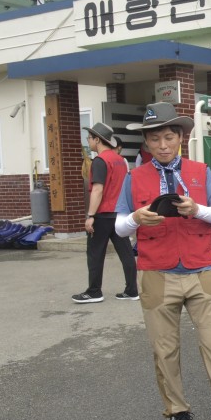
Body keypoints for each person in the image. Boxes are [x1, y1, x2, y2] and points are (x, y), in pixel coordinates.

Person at [115, 102, 211, 420]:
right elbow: (118, 226)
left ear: (180, 138)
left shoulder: (199, 171)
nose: (162, 145)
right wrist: (136, 220)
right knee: (165, 350)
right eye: (155, 139)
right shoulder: (135, 177)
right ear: (146, 142)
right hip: (156, 273)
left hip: (201, 269)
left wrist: (197, 209)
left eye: (169, 137)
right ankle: (178, 413)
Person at [71, 122, 138, 304]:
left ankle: (94, 291)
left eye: (89, 138)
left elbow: (98, 190)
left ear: (97, 140)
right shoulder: (120, 160)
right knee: (126, 253)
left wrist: (90, 215)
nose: (88, 141)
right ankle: (132, 290)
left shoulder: (100, 161)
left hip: (102, 215)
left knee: (95, 254)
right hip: (119, 214)